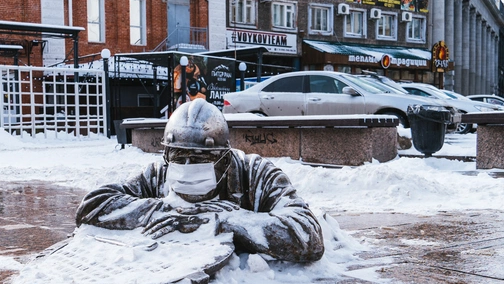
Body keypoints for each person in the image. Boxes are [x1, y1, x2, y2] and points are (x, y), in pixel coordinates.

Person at [76, 98, 324, 263]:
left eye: (198, 158)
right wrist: (165, 210)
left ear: (223, 159)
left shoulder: (256, 174)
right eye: (179, 157)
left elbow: (307, 235)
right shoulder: (160, 172)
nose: (185, 167)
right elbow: (93, 205)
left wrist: (224, 220)